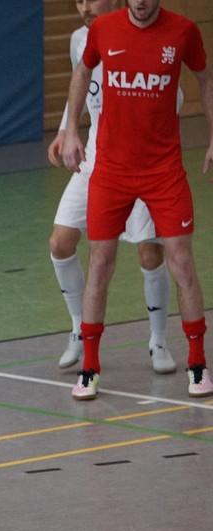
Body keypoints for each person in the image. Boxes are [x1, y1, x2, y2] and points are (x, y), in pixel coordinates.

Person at [61, 0, 213, 400]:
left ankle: (197, 364)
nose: (141, 2)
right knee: (100, 262)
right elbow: (82, 72)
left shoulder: (183, 31)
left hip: (164, 170)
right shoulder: (103, 29)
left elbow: (206, 78)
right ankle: (89, 367)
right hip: (111, 170)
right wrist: (71, 130)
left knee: (180, 260)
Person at [48, 0, 180, 375]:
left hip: (142, 162)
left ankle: (158, 340)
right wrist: (66, 130)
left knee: (150, 254)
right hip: (95, 160)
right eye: (78, 1)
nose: (84, 8)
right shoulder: (80, 39)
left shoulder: (147, 37)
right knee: (60, 242)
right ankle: (79, 327)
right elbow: (80, 84)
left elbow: (174, 96)